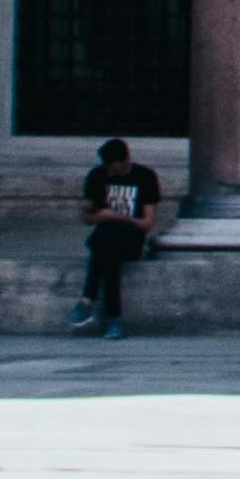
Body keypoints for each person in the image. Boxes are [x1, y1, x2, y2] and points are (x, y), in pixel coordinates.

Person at [75, 138, 162, 334]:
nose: (110, 171)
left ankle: (87, 300)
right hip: (106, 238)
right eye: (106, 166)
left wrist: (116, 216)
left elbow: (146, 224)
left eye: (113, 166)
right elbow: (87, 216)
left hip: (131, 238)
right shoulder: (98, 176)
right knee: (109, 252)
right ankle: (114, 320)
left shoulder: (145, 177)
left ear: (125, 161)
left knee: (107, 240)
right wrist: (99, 216)